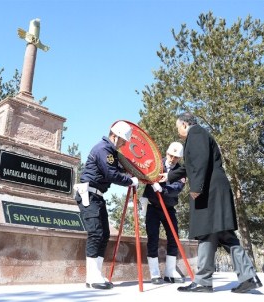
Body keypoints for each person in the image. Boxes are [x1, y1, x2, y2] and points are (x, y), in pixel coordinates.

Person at [159, 112, 262, 294]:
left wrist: (196, 188)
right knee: (223, 234)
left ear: (184, 124)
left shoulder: (196, 134)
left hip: (209, 192)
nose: (178, 131)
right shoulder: (199, 136)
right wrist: (168, 176)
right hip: (215, 191)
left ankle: (203, 282)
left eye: (177, 127)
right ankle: (248, 276)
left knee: (207, 232)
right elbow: (189, 166)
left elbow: (199, 163)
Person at [74, 121, 139, 290]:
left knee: (104, 234)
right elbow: (111, 174)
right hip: (89, 194)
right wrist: (130, 181)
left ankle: (96, 273)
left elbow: (117, 169)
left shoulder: (111, 152)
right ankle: (92, 276)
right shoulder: (103, 149)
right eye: (123, 140)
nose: (124, 143)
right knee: (96, 233)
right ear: (114, 136)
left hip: (98, 195)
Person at [140, 142, 185, 284]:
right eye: (171, 155)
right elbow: (142, 172)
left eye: (176, 157)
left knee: (174, 237)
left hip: (168, 207)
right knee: (152, 237)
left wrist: (164, 190)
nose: (172, 159)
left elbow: (178, 187)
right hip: (153, 207)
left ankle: (170, 271)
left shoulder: (180, 170)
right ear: (166, 153)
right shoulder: (155, 164)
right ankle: (154, 273)